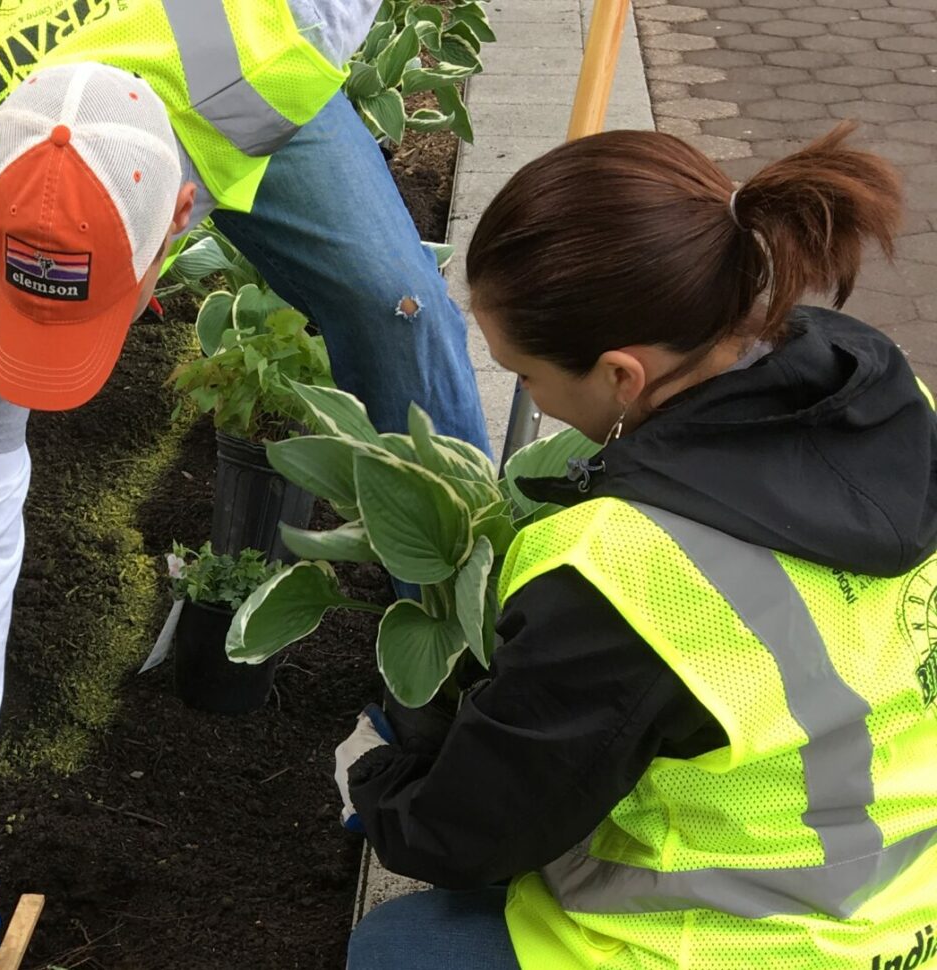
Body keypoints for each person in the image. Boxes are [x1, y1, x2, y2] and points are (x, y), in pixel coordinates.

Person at [0, 2, 492, 967]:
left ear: (182, 228)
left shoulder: (283, 35)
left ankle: (455, 689)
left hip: (213, 76)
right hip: (9, 80)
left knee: (398, 311)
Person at [337, 122, 937, 970]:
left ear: (623, 376)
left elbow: (470, 837)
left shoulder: (631, 570)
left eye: (530, 377)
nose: (534, 403)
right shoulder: (882, 394)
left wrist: (375, 778)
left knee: (400, 950)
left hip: (772, 943)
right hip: (914, 891)